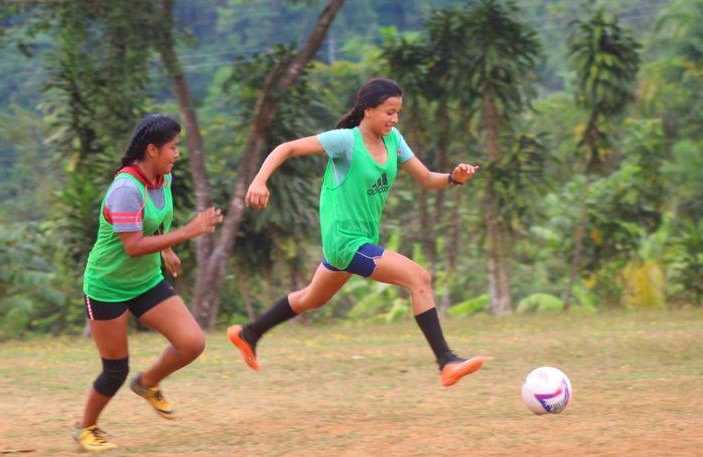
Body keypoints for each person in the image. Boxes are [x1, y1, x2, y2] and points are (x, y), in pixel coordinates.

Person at [227, 78, 485, 388]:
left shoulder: (394, 140)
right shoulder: (346, 141)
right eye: (389, 112)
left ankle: (249, 333)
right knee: (420, 278)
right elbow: (287, 147)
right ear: (368, 110)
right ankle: (446, 361)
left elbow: (428, 178)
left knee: (311, 298)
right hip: (346, 242)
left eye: (397, 113)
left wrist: (453, 178)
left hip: (360, 241)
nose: (395, 119)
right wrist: (259, 180)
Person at [73, 114, 223, 452]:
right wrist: (187, 232)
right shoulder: (127, 188)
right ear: (152, 149)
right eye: (173, 147)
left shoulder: (162, 178)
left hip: (144, 280)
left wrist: (168, 247)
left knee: (191, 343)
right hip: (107, 286)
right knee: (114, 370)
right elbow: (132, 244)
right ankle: (86, 428)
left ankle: (148, 383)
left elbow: (154, 223)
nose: (177, 154)